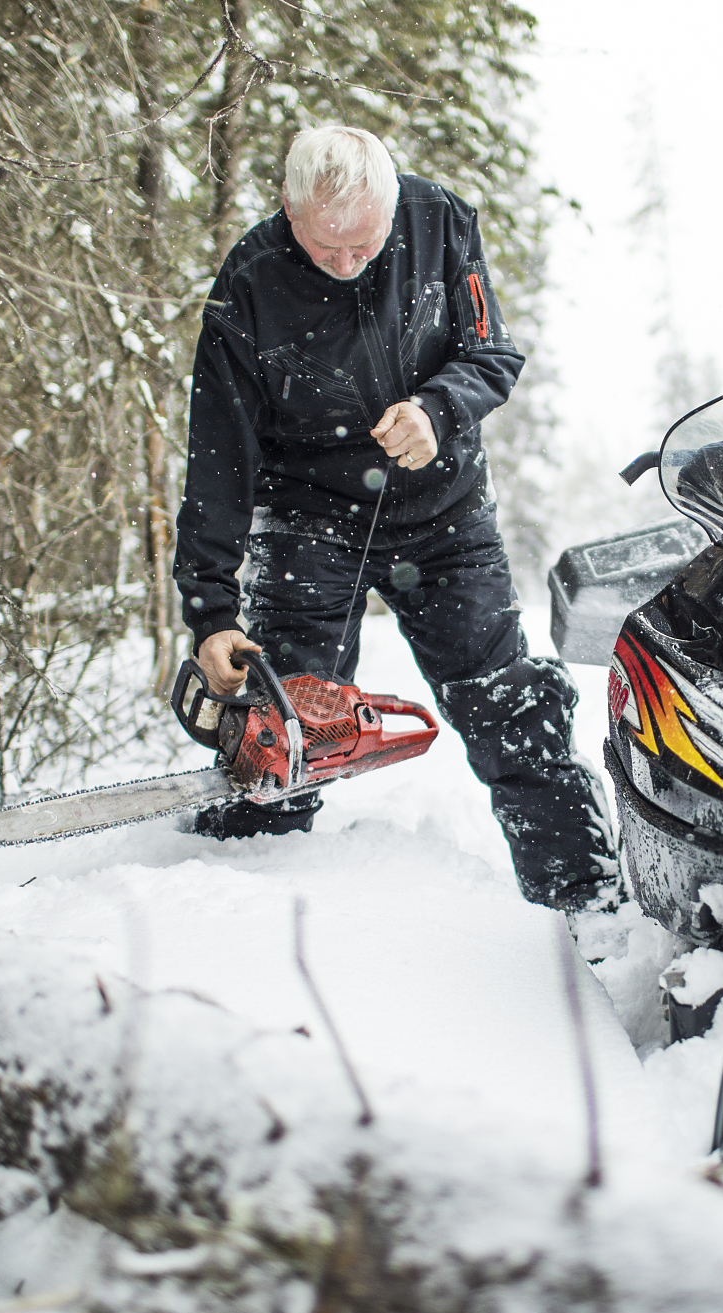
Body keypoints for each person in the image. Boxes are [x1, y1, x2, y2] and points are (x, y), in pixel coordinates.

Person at [173, 124, 617, 912]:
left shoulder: (440, 221)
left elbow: (493, 353)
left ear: (391, 207)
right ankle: (242, 907)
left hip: (444, 517)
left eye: (365, 244)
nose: (349, 262)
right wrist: (210, 611)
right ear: (289, 210)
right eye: (327, 246)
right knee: (284, 730)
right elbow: (218, 461)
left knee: (510, 706)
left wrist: (438, 410)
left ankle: (585, 901)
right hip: (310, 523)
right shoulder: (248, 285)